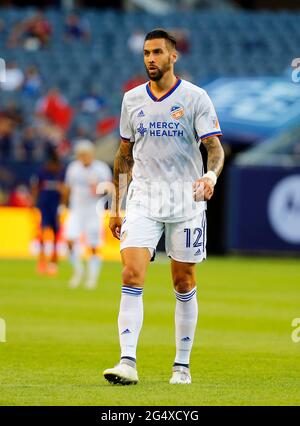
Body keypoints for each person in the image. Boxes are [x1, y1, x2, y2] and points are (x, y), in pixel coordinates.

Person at [103, 29, 225, 385]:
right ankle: (127, 362)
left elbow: (214, 149)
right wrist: (116, 206)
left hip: (185, 201)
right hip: (143, 198)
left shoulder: (195, 98)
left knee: (183, 281)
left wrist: (210, 178)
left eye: (157, 52)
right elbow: (124, 156)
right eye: (146, 53)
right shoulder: (131, 100)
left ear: (174, 56)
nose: (150, 59)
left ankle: (181, 365)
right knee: (130, 274)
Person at [63, 140, 112, 289]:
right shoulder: (73, 168)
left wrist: (98, 188)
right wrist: (63, 204)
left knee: (93, 245)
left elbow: (109, 189)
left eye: (86, 154)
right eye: (81, 155)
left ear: (92, 154)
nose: (84, 157)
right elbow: (68, 187)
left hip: (94, 211)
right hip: (76, 209)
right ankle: (78, 271)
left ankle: (92, 277)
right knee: (70, 241)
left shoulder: (101, 169)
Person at [31, 147, 65, 275]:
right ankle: (42, 260)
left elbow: (65, 190)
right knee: (43, 233)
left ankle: (54, 261)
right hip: (44, 207)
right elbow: (35, 187)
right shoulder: (42, 172)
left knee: (56, 235)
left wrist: (63, 204)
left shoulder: (61, 173)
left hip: (55, 208)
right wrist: (34, 204)